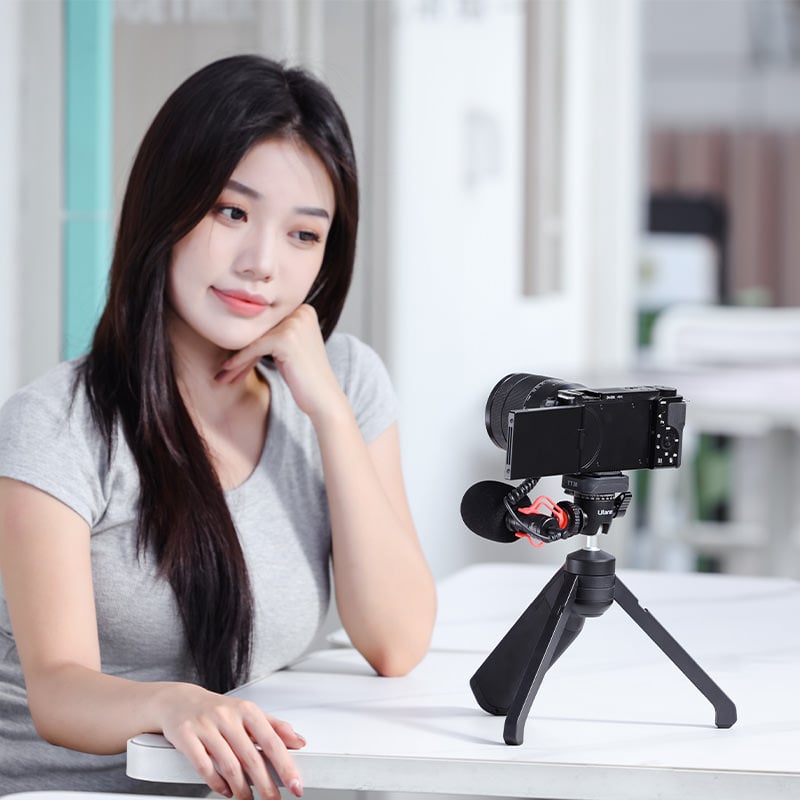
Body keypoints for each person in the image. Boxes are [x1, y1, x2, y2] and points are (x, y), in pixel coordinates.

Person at [0, 54, 436, 799]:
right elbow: (59, 692)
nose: (261, 263)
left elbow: (395, 641)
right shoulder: (56, 425)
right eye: (230, 212)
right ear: (166, 208)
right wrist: (174, 703)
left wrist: (326, 410)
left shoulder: (345, 381)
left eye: (303, 235)